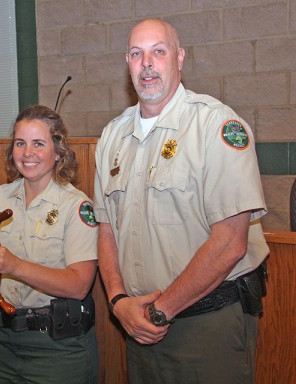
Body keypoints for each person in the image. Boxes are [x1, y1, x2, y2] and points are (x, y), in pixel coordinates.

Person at [94, 18, 269, 384]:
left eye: (159, 51)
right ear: (127, 62)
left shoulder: (216, 126)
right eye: (137, 54)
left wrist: (160, 312)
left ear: (180, 58)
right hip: (137, 326)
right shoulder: (112, 137)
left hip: (206, 325)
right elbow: (106, 228)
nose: (147, 64)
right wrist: (118, 301)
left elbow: (230, 243)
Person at [0, 105, 99, 383]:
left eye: (38, 144)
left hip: (59, 349)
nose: (27, 153)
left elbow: (79, 285)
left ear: (58, 152)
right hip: (5, 344)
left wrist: (15, 266)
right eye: (20, 143)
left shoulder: (76, 206)